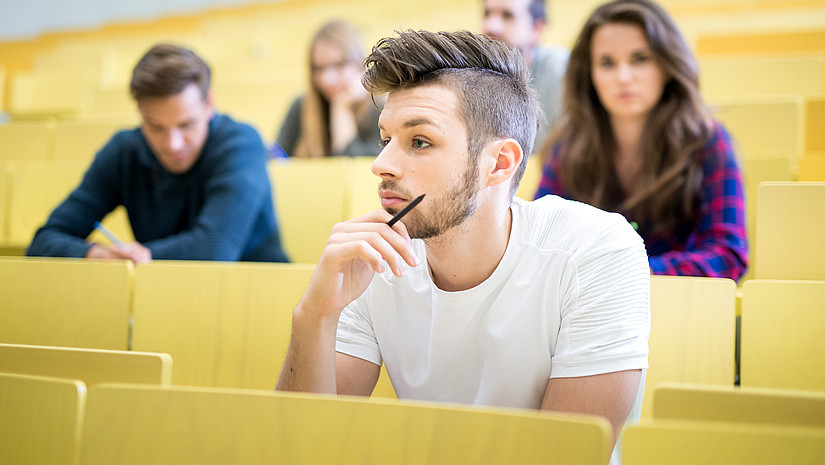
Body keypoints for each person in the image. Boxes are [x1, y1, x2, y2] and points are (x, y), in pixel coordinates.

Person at [276, 29, 650, 464]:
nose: (381, 165)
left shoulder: (595, 250)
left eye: (419, 142)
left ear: (499, 163)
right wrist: (314, 315)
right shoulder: (375, 259)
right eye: (385, 140)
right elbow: (303, 449)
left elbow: (560, 456)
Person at [534, 0, 748, 281]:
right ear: (590, 75)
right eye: (607, 63)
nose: (623, 77)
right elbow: (538, 247)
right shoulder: (568, 148)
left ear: (667, 65)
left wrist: (636, 271)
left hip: (684, 312)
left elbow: (728, 255)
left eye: (640, 59)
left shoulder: (708, 142)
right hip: (590, 316)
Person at [26, 44, 289, 263]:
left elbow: (214, 250)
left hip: (256, 301)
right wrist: (94, 255)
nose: (172, 144)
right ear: (140, 113)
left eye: (186, 125)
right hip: (165, 303)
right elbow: (45, 239)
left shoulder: (241, 143)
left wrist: (144, 256)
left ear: (209, 104)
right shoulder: (123, 151)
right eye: (155, 127)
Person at [276, 19, 381, 158]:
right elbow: (277, 159)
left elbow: (353, 170)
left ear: (359, 64)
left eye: (338, 65)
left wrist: (341, 108)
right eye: (319, 69)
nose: (328, 79)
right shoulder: (301, 107)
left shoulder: (380, 110)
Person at [482, 0, 569, 149]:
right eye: (487, 14)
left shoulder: (560, 69)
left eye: (508, 15)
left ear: (537, 29)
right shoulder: (473, 77)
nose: (491, 26)